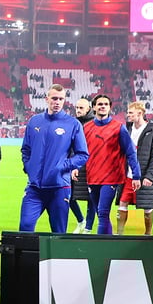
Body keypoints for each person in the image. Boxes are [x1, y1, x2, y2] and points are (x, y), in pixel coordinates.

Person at [19, 84, 89, 233]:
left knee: (58, 233)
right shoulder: (34, 121)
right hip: (34, 188)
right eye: (54, 98)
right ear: (47, 99)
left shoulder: (73, 124)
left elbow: (83, 155)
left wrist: (63, 166)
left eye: (61, 99)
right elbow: (26, 149)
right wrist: (28, 166)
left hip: (59, 188)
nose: (57, 102)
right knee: (25, 227)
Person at [75, 95, 141, 235]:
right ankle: (110, 242)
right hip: (92, 176)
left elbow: (130, 152)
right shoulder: (86, 128)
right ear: (93, 107)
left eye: (105, 104)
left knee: (103, 212)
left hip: (111, 177)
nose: (102, 106)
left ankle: (100, 247)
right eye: (99, 104)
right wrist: (75, 167)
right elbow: (80, 152)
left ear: (110, 107)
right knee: (100, 213)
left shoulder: (118, 128)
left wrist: (136, 175)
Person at [117, 101, 153, 235]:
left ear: (140, 113)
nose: (127, 115)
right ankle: (119, 234)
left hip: (144, 176)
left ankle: (148, 233)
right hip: (128, 175)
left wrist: (149, 176)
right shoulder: (127, 129)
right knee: (122, 202)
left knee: (147, 206)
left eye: (130, 113)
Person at [70, 98, 94, 233]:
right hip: (73, 165)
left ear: (88, 109)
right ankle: (81, 221)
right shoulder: (73, 123)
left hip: (90, 166)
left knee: (91, 198)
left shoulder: (93, 124)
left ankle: (88, 228)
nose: (78, 110)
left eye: (81, 108)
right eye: (77, 107)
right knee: (69, 196)